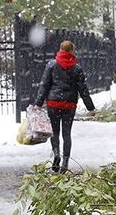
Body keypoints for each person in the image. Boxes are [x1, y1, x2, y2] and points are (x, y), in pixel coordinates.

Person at [35, 40, 96, 173]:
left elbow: (44, 85)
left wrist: (38, 103)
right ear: (72, 51)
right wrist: (90, 107)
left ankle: (56, 154)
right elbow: (83, 89)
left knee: (55, 132)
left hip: (53, 104)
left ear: (60, 50)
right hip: (69, 104)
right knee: (66, 133)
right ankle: (65, 162)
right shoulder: (77, 68)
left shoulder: (52, 65)